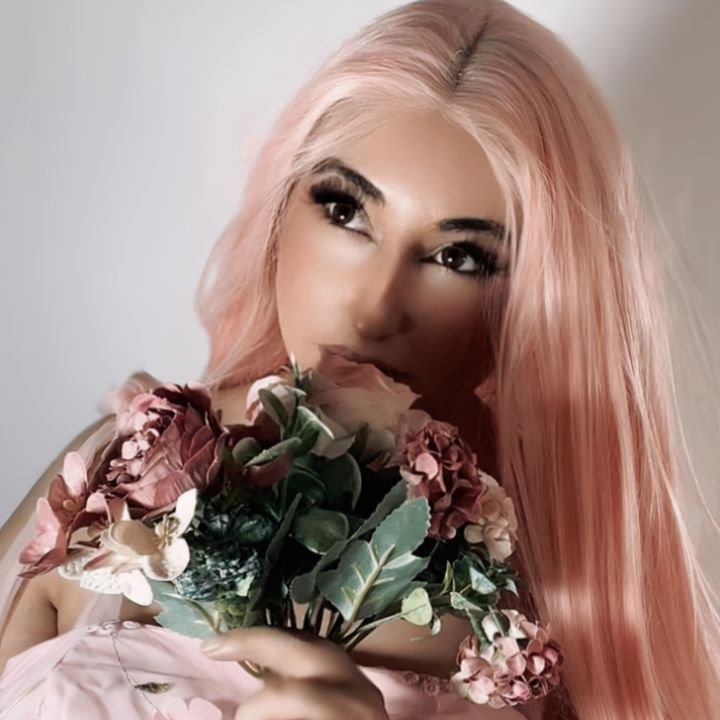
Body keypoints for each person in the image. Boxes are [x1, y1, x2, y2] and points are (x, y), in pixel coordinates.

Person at [0, 0, 718, 718]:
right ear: (282, 205)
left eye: (460, 257)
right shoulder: (118, 471)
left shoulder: (558, 602)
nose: (375, 310)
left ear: (540, 299)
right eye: (345, 210)